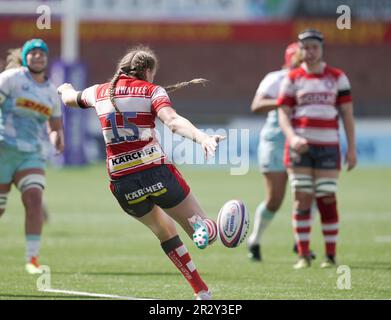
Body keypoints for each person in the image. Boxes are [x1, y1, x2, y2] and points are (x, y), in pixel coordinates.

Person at [57, 46, 225, 300]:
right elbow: (173, 121)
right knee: (201, 229)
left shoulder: (99, 92)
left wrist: (64, 88)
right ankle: (207, 230)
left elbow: (70, 99)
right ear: (147, 71)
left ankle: (201, 291)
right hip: (155, 173)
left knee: (164, 232)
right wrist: (201, 137)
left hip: (122, 183)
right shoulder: (152, 91)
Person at [277, 29, 357, 269]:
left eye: (314, 47)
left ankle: (330, 256)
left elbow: (347, 114)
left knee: (327, 198)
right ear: (300, 51)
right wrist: (292, 137)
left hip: (328, 147)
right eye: (305, 48)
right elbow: (283, 113)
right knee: (301, 199)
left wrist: (351, 148)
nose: (310, 52)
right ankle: (303, 255)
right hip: (300, 149)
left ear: (321, 49)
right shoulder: (292, 78)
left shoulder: (337, 77)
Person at [0, 39, 64, 274]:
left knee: (34, 198)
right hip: (3, 150)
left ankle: (32, 259)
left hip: (32, 155)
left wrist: (57, 137)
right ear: (25, 57)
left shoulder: (50, 91)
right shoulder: (10, 79)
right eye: (33, 53)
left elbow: (55, 125)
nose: (38, 56)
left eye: (42, 53)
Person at [247, 43, 303, 261]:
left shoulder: (313, 81)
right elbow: (256, 105)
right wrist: (283, 100)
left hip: (302, 142)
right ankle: (255, 240)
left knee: (306, 196)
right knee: (275, 199)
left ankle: (301, 243)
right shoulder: (276, 78)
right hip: (276, 142)